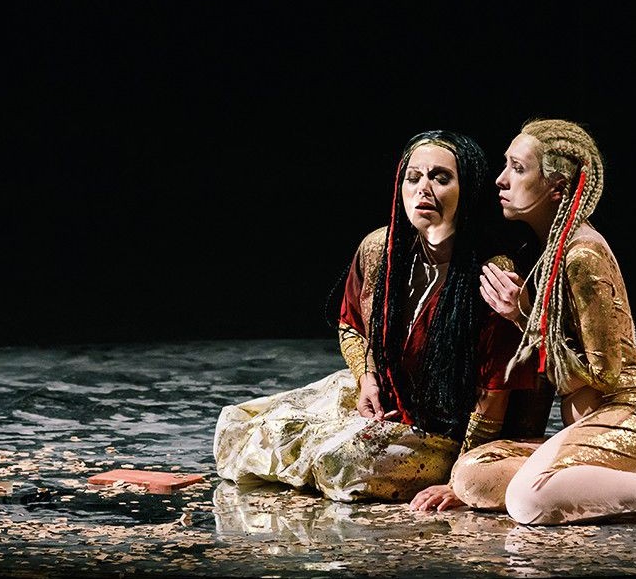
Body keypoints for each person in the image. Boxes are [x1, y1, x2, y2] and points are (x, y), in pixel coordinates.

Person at [411, 118, 636, 524]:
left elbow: (605, 374)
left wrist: (525, 316)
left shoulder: (582, 255)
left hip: (635, 422)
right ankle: (605, 485)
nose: (501, 179)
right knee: (471, 475)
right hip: (587, 430)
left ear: (557, 187)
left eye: (518, 168)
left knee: (528, 500)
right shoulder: (549, 252)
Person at [214, 130, 554, 503]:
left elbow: (494, 396)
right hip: (388, 402)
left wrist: (460, 480)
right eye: (413, 177)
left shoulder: (491, 272)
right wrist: (367, 380)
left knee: (342, 462)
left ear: (468, 190)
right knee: (246, 426)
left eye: (441, 178)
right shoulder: (380, 250)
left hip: (450, 432)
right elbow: (351, 325)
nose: (423, 189)